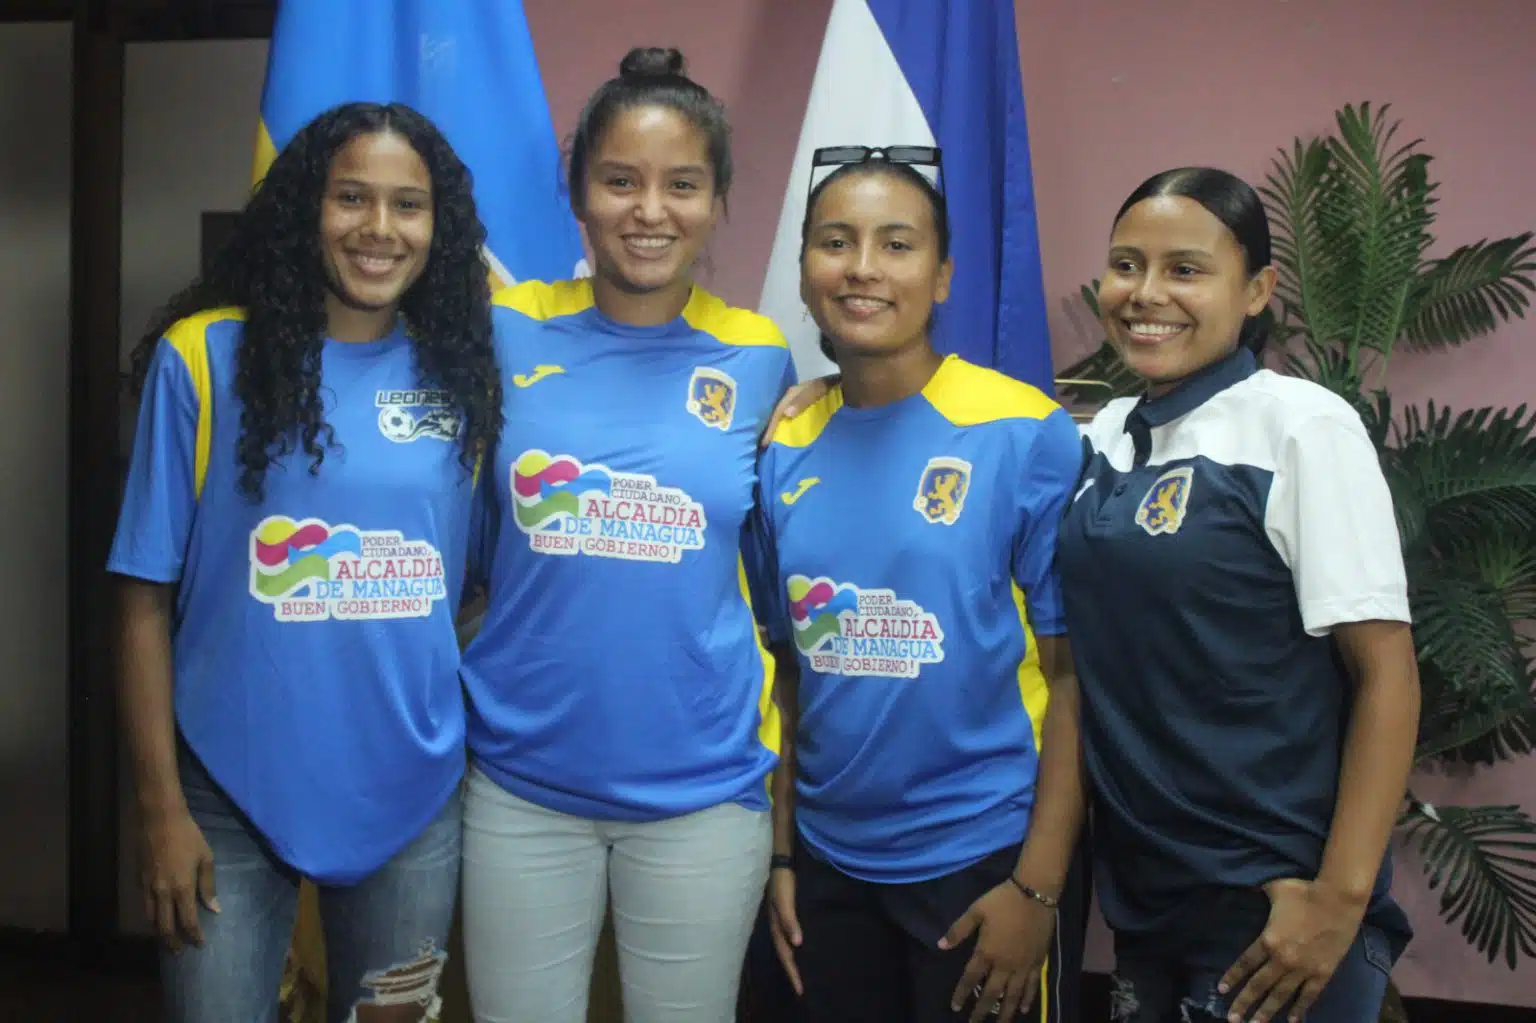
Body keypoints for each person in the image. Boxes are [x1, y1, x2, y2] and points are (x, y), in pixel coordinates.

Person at [109, 101, 498, 1023]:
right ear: (303, 208)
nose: (379, 228)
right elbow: (140, 601)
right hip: (223, 790)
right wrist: (160, 809)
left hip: (411, 790)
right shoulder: (203, 358)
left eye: (409, 204)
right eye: (351, 197)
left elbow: (478, 587)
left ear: (439, 227)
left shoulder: (465, 374)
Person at [457, 47, 797, 1023]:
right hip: (520, 787)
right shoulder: (505, 331)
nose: (650, 211)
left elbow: (776, 577)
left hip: (702, 795)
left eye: (681, 184)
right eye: (620, 181)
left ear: (717, 200)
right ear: (578, 195)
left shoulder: (759, 355)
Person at [1057, 167, 1419, 1023]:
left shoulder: (1301, 426)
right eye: (1126, 265)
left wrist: (1339, 898)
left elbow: (1387, 674)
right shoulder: (1106, 435)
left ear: (1256, 290)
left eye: (1185, 268)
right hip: (1147, 896)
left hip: (1276, 909)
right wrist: (832, 392)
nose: (1147, 293)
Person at [749, 147, 1086, 1023]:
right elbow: (789, 673)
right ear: (805, 271)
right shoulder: (782, 446)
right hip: (828, 865)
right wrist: (783, 856)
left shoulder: (1024, 433)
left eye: (896, 245)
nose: (862, 267)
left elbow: (1078, 678)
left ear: (941, 277)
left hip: (983, 863)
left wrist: (1038, 889)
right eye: (836, 242)